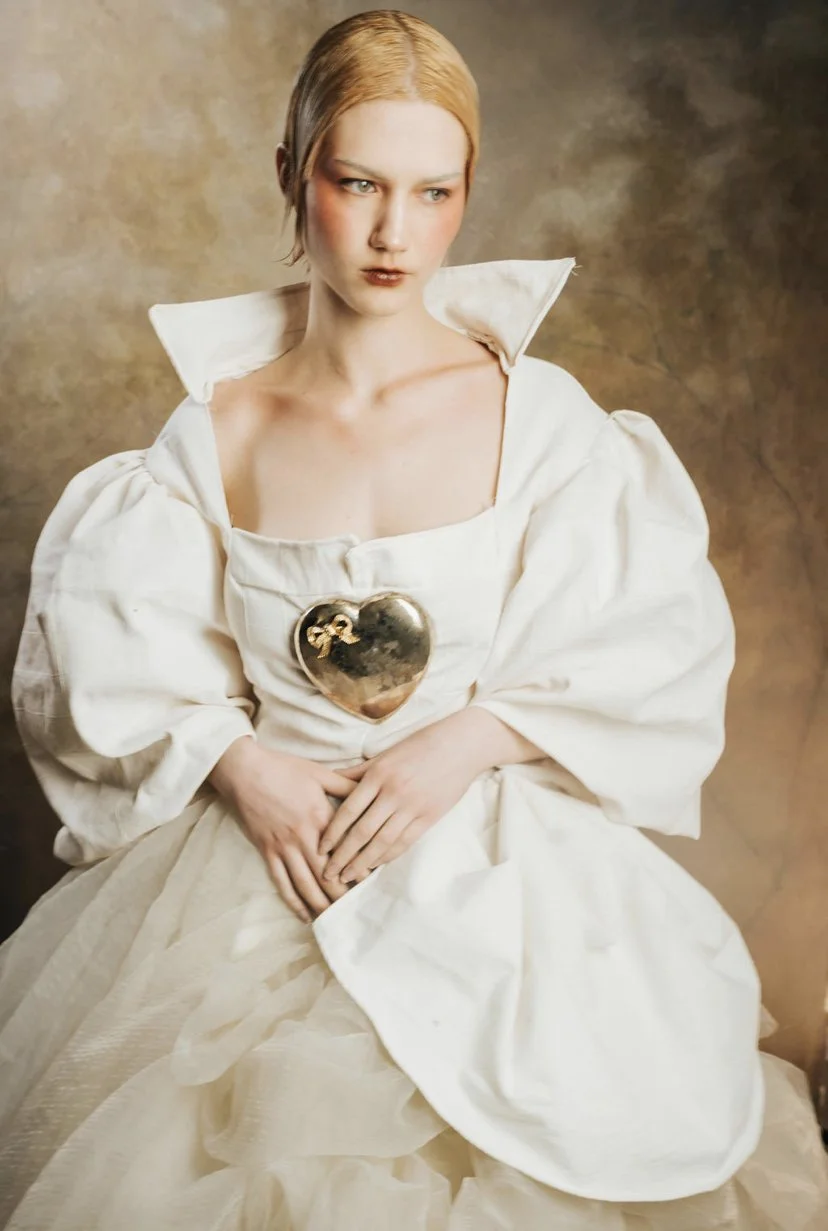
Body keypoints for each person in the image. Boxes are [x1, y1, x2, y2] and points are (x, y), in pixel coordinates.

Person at [2, 9, 827, 1229]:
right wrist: (243, 766)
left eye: (434, 192)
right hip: (260, 870)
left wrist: (465, 741)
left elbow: (644, 644)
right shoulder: (212, 432)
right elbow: (113, 658)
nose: (396, 232)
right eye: (359, 184)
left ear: (466, 193)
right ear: (294, 175)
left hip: (495, 862)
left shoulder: (542, 420)